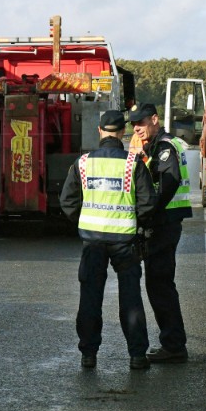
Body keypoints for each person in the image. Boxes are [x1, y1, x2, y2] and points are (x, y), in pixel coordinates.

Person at [60, 110, 157, 370]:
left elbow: (67, 201)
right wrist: (138, 225)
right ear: (122, 133)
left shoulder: (83, 163)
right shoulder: (132, 163)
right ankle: (137, 355)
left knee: (90, 298)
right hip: (125, 241)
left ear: (100, 131)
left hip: (92, 240)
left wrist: (84, 222)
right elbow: (147, 204)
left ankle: (88, 355)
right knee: (131, 298)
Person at [129, 103, 192, 363]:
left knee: (160, 284)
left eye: (141, 122)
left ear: (155, 119)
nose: (136, 127)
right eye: (134, 123)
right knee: (160, 283)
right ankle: (173, 342)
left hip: (164, 222)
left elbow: (169, 181)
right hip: (166, 221)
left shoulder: (165, 146)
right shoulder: (158, 144)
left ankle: (174, 345)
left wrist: (150, 213)